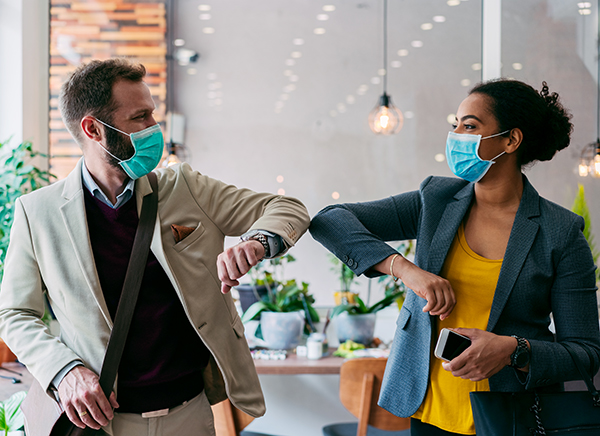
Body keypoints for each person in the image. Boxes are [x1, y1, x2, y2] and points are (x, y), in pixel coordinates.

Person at [0, 58, 310, 436]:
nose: (154, 128)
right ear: (93, 129)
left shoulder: (186, 187)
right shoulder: (38, 213)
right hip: (101, 423)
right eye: (140, 117)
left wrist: (257, 242)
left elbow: (287, 207)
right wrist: (64, 371)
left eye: (152, 114)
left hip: (189, 414)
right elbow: (14, 313)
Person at [310, 79, 600, 435]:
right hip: (429, 413)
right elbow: (329, 219)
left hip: (512, 419)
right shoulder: (435, 201)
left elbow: (585, 352)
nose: (456, 135)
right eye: (456, 124)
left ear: (511, 140)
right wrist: (405, 269)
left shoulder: (561, 232)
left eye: (470, 126)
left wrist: (512, 350)